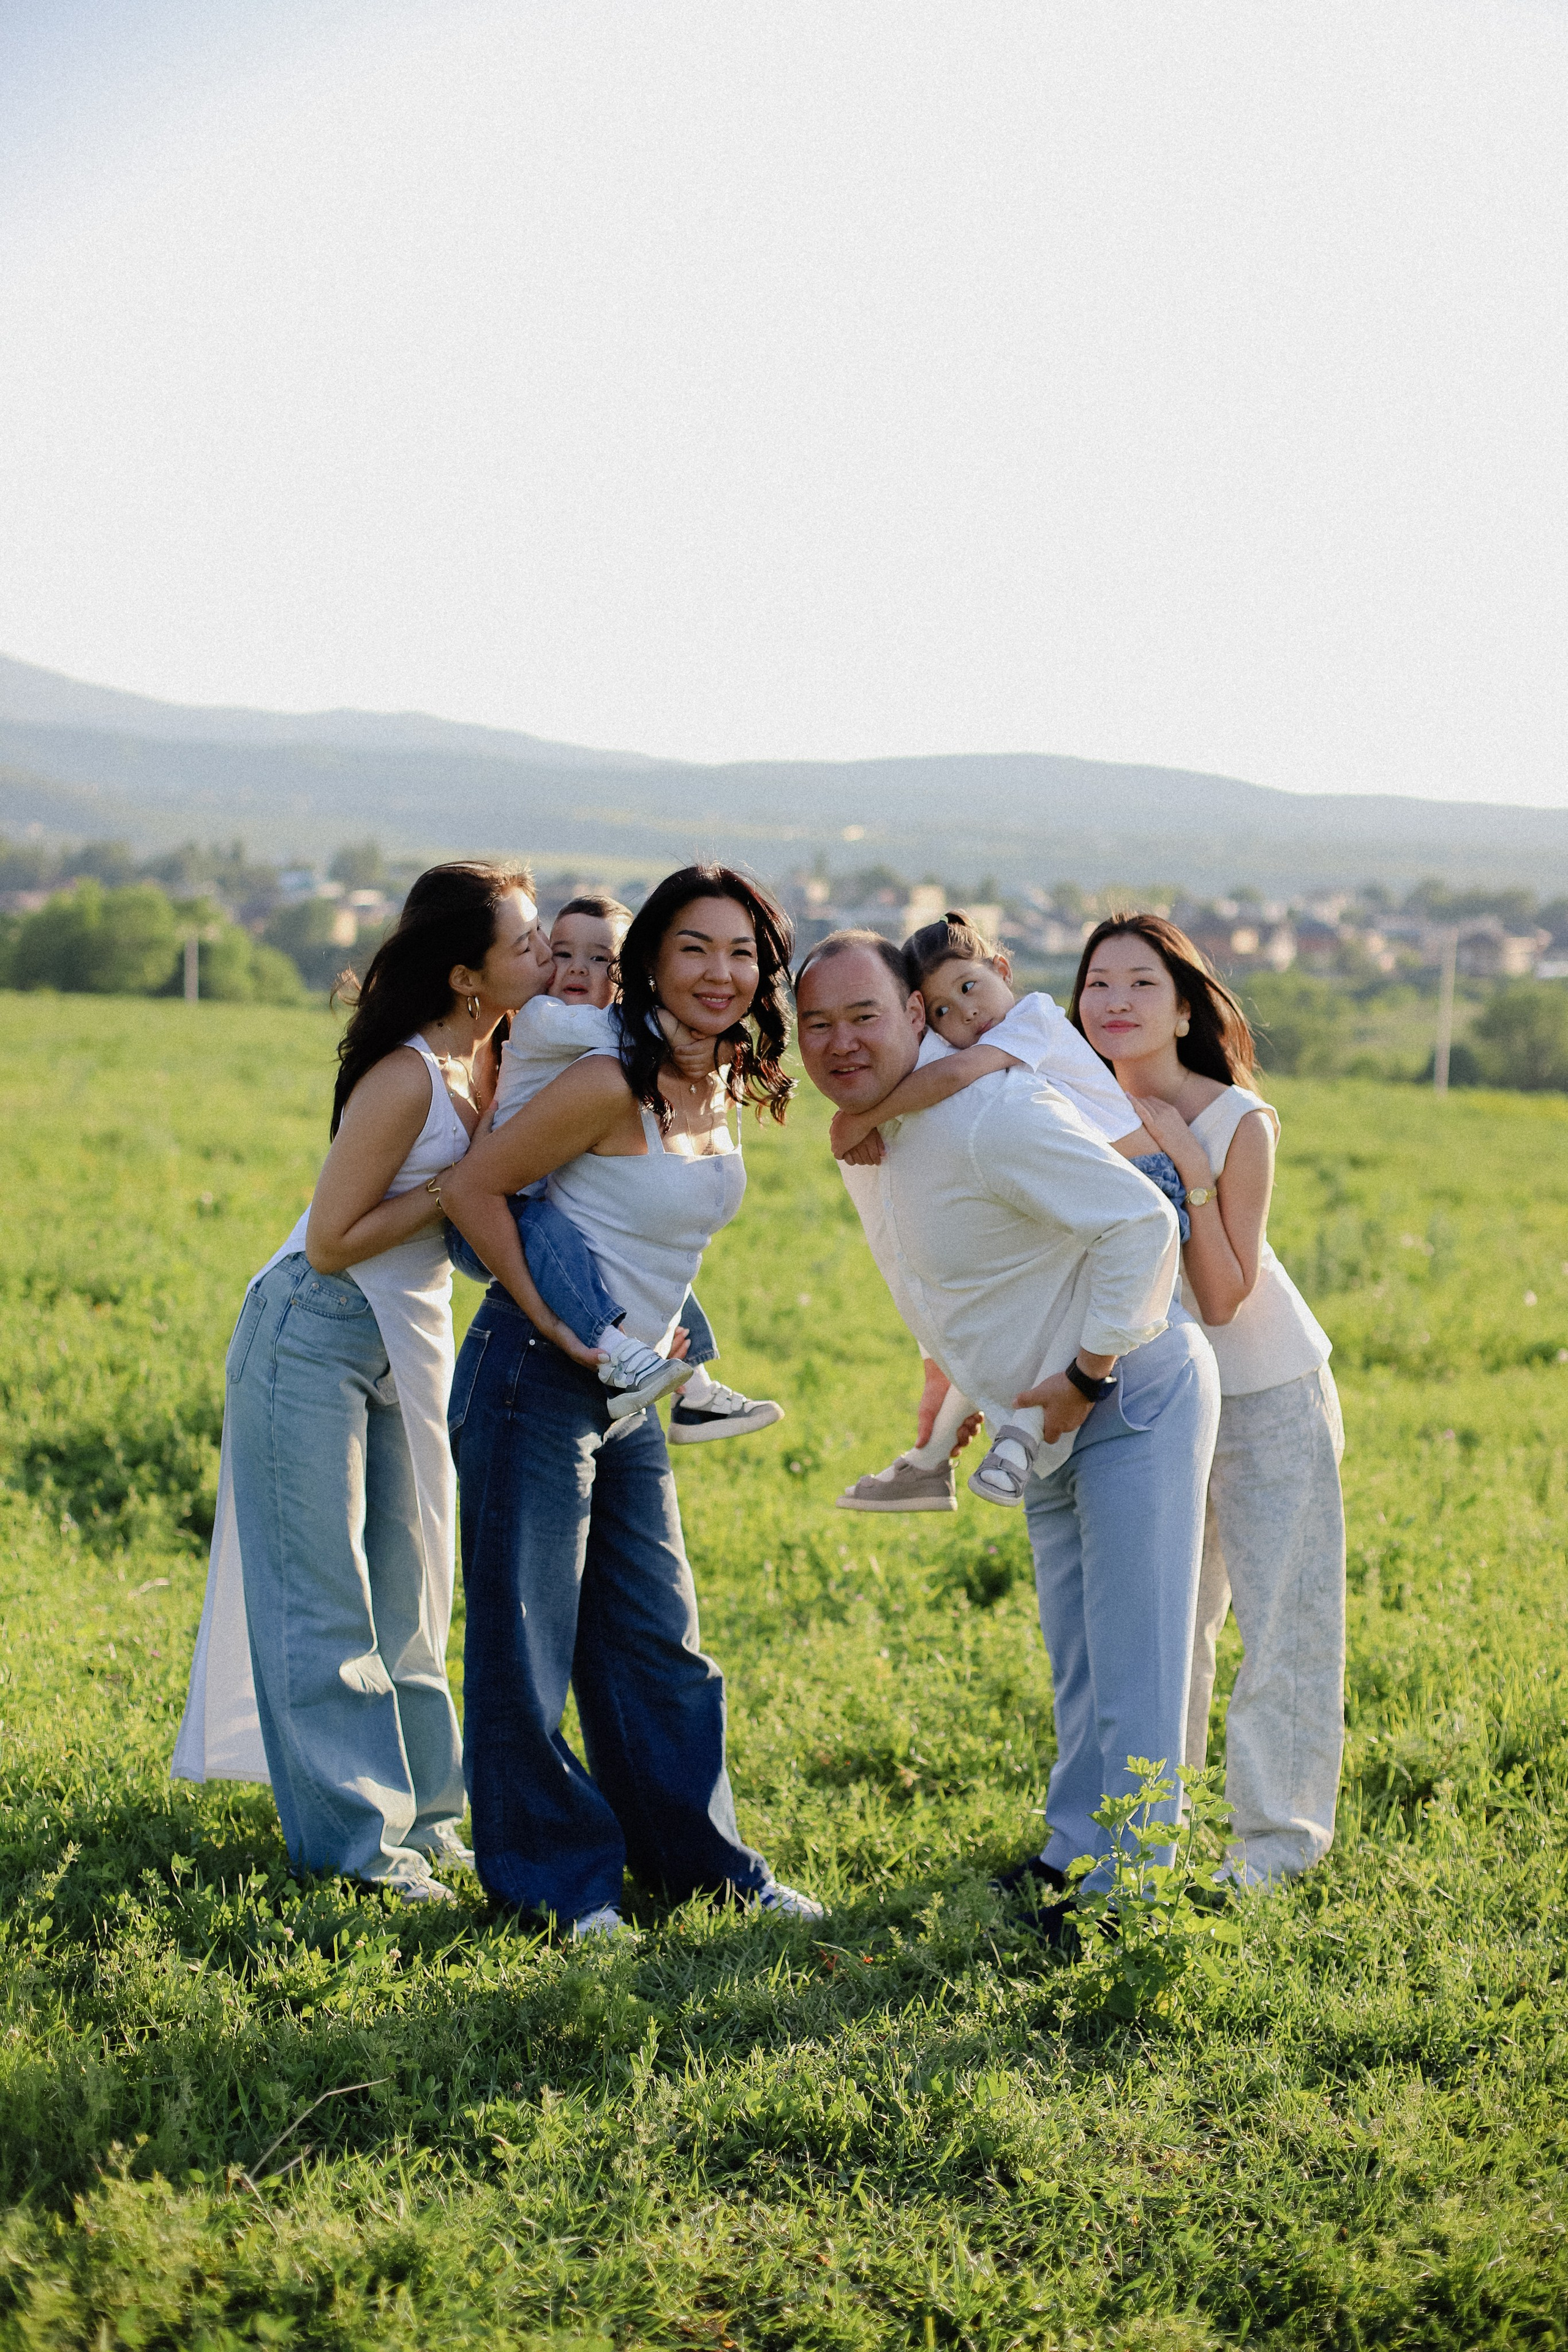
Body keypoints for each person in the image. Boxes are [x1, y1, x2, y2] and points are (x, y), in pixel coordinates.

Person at [795, 932, 1219, 1931]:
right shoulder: (893, 1130)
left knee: (1137, 1658)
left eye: (866, 1017)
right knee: (1079, 1656)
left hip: (1128, 1390)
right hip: (1043, 1414)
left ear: (916, 1016)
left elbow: (1142, 1227)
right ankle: (1075, 1856)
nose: (841, 1042)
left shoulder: (987, 1112)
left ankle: (1134, 1896)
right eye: (817, 1024)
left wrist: (1082, 1375)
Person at [440, 864, 823, 1938]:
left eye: (742, 951)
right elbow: (474, 1188)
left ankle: (698, 1866)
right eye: (694, 948)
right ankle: (554, 1888)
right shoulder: (610, 1078)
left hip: (631, 1392)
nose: (720, 971)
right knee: (526, 1641)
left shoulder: (723, 1074)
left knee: (658, 1637)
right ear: (649, 958)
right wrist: (556, 1323)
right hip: (531, 1374)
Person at [173, 862, 552, 1903]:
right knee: (324, 1603)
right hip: (315, 1329)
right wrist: (449, 1187)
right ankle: (356, 1852)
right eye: (525, 944)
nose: (545, 955)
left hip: (406, 1334)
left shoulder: (490, 1064)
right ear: (469, 974)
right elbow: (334, 1242)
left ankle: (431, 1823)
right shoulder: (405, 1078)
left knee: (414, 1594)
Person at [1070, 913, 1344, 1885]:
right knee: (1168, 1628)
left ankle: (1278, 1848)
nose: (1114, 1001)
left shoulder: (1236, 1121)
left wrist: (1185, 1167)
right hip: (1155, 1393)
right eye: (1098, 983)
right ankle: (1152, 1836)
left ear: (1184, 1006)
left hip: (1266, 1390)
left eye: (1140, 983)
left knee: (1285, 1623)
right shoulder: (1075, 1107)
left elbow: (1225, 1296)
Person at [827, 910, 1189, 1508]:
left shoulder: (1032, 1019)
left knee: (1076, 1296)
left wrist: (858, 1115)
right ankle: (931, 1458)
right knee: (1026, 1312)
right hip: (1090, 1184)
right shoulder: (988, 1036)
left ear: (1001, 969)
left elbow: (960, 1070)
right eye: (941, 1010)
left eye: (970, 987)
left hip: (1146, 1183)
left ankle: (1017, 1438)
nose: (965, 1014)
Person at [447, 891, 784, 1441]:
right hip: (504, 1219)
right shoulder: (542, 1017)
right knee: (551, 1228)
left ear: (624, 974)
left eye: (600, 958)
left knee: (662, 1259)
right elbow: (614, 1034)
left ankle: (692, 1387)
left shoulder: (633, 1051)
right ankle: (614, 1341)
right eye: (561, 953)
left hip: (536, 1206)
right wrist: (690, 1035)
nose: (578, 967)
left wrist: (721, 1048)